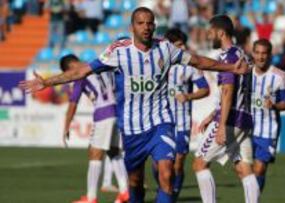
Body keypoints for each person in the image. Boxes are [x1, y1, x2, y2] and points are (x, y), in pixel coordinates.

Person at [19, 7, 249, 203]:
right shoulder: (118, 52)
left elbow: (198, 61)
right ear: (132, 27)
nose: (146, 27)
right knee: (135, 181)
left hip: (161, 122)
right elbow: (82, 71)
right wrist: (46, 81)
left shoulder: (166, 48)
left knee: (166, 174)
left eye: (150, 23)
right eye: (141, 23)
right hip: (132, 129)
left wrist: (231, 68)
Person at [192, 15, 259, 203]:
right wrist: (211, 115)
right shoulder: (242, 54)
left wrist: (221, 124)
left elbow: (228, 91)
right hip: (245, 119)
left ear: (221, 33)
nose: (208, 35)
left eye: (211, 32)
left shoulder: (228, 57)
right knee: (244, 169)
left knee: (199, 164)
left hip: (230, 120)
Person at [60, 54, 128, 203]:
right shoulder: (99, 64)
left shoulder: (80, 74)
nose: (70, 76)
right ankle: (125, 192)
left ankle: (91, 198)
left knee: (94, 153)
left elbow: (73, 102)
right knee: (114, 151)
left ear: (71, 67)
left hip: (103, 113)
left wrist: (66, 126)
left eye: (67, 73)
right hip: (116, 111)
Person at [165, 28, 210, 200]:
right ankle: (166, 189)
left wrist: (188, 96)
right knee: (159, 165)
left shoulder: (190, 66)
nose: (182, 47)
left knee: (178, 164)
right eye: (178, 45)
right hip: (161, 120)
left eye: (183, 44)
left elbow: (205, 89)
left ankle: (172, 196)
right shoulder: (158, 64)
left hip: (182, 122)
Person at [250, 39, 285, 192]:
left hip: (267, 130)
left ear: (270, 55)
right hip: (245, 129)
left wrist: (274, 105)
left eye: (264, 54)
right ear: (253, 54)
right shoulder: (245, 72)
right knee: (246, 171)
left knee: (259, 169)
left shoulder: (279, 76)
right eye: (258, 53)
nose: (261, 57)